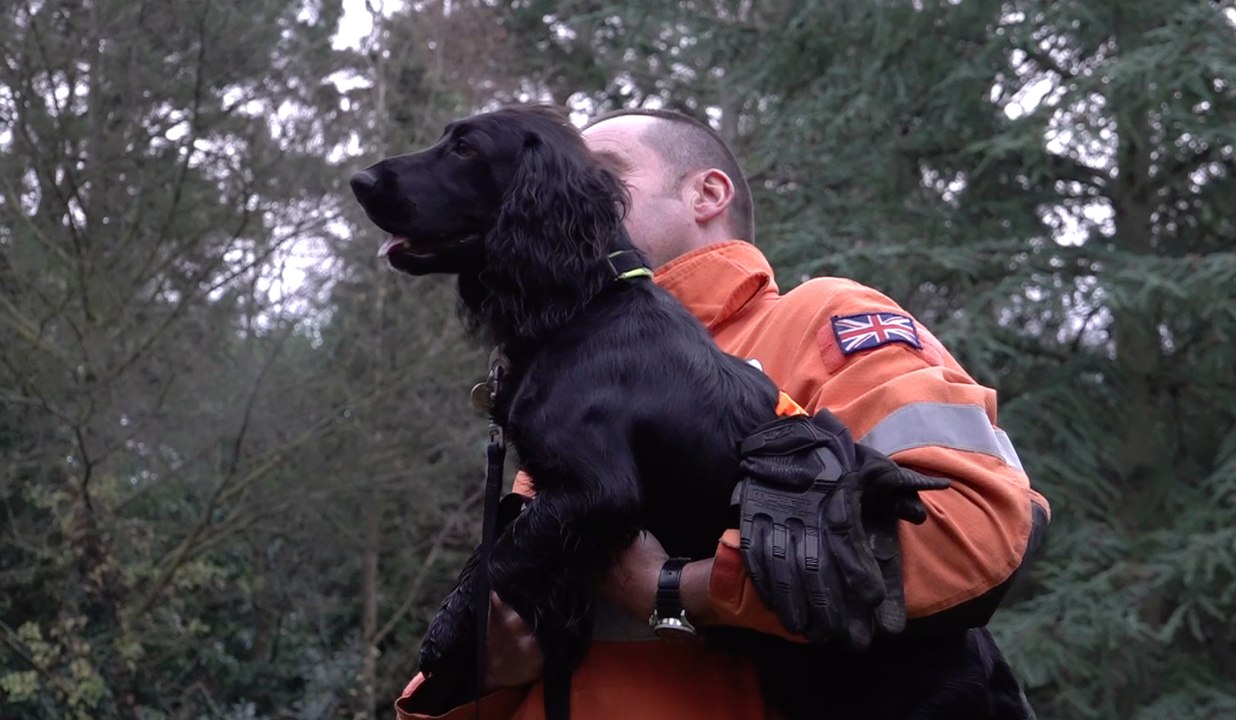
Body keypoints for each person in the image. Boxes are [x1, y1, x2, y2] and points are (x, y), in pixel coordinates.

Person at [395, 107, 1050, 720]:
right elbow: (482, 657)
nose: (563, 190)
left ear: (706, 195)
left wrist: (681, 589)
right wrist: (485, 667)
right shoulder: (565, 381)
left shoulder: (820, 318)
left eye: (599, 176)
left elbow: (978, 530)